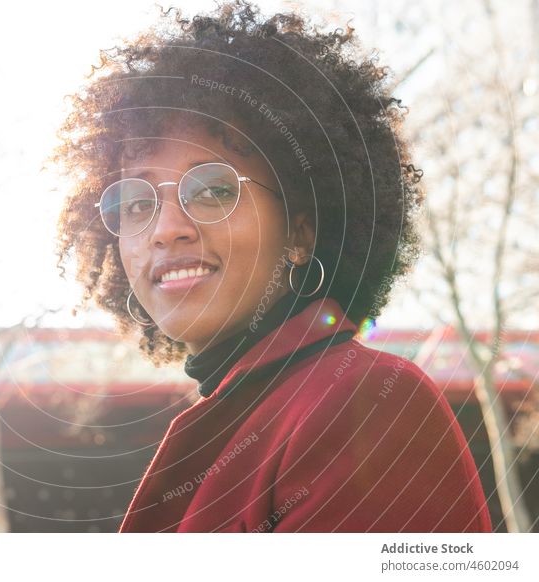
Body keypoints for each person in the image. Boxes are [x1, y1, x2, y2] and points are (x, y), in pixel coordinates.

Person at [52, 0, 492, 532]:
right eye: (137, 203)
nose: (166, 228)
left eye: (213, 189)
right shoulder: (236, 426)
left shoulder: (363, 403)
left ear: (301, 232)